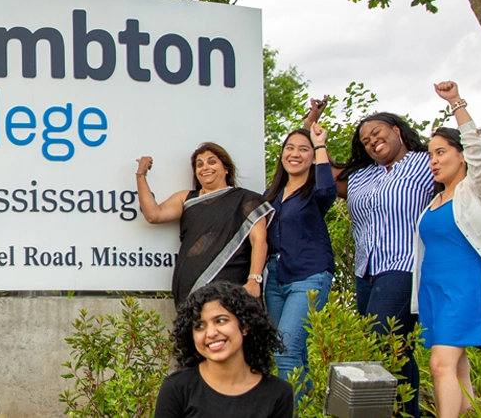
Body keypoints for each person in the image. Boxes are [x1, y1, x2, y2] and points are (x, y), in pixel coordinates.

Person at [307, 103, 432, 417]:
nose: (371, 141)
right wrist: (315, 132)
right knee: (393, 348)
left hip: (405, 266)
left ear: (397, 131)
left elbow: (465, 165)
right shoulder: (360, 177)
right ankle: (405, 411)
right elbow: (316, 166)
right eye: (364, 141)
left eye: (376, 133)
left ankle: (400, 412)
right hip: (366, 272)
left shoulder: (425, 163)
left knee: (382, 343)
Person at [413, 81, 481, 417]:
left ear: (461, 155)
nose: (434, 161)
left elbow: (479, 153)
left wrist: (456, 102)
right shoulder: (433, 203)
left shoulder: (475, 192)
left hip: (465, 288)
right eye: (430, 155)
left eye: (441, 153)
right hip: (435, 292)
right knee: (457, 370)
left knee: (440, 364)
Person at [135, 143, 273, 302]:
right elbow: (154, 215)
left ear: (226, 168)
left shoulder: (247, 200)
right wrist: (141, 176)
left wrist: (254, 280)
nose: (205, 167)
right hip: (190, 286)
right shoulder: (187, 199)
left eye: (212, 162)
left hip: (232, 285)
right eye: (199, 164)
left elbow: (259, 241)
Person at [261, 118, 338, 402]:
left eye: (303, 149)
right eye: (290, 148)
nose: (295, 154)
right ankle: (307, 406)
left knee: (286, 349)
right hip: (276, 280)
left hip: (309, 276)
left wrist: (319, 144)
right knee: (291, 352)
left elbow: (328, 187)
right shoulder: (272, 196)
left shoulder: (317, 193)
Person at [155, 281, 296, 418]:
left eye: (221, 321)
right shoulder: (177, 388)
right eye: (199, 326)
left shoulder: (278, 393)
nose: (211, 333)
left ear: (245, 326)